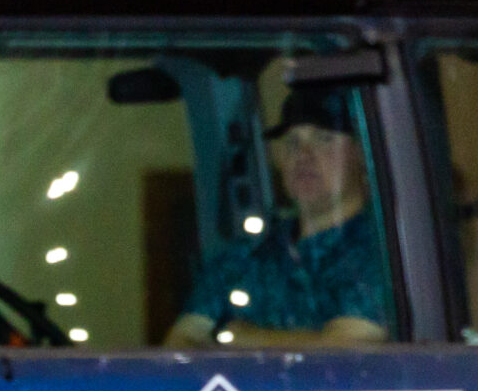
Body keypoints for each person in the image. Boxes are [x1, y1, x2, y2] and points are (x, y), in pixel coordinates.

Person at [166, 84, 392, 347]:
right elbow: (181, 342)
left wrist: (242, 338)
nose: (303, 155)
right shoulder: (249, 254)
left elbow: (347, 352)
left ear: (361, 153)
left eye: (324, 138)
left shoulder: (382, 252)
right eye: (292, 142)